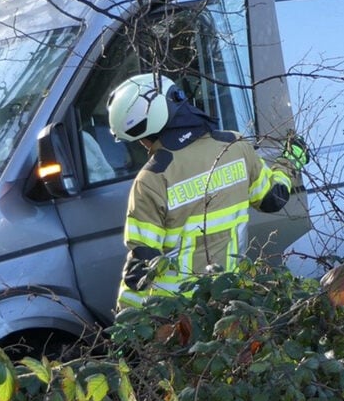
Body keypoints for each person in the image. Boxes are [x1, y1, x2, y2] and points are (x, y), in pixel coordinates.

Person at [106, 73, 306, 311]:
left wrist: (125, 324)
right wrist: (290, 160)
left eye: (140, 139)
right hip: (229, 298)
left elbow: (142, 265)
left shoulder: (152, 179)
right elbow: (272, 199)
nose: (142, 145)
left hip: (177, 315)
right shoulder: (235, 146)